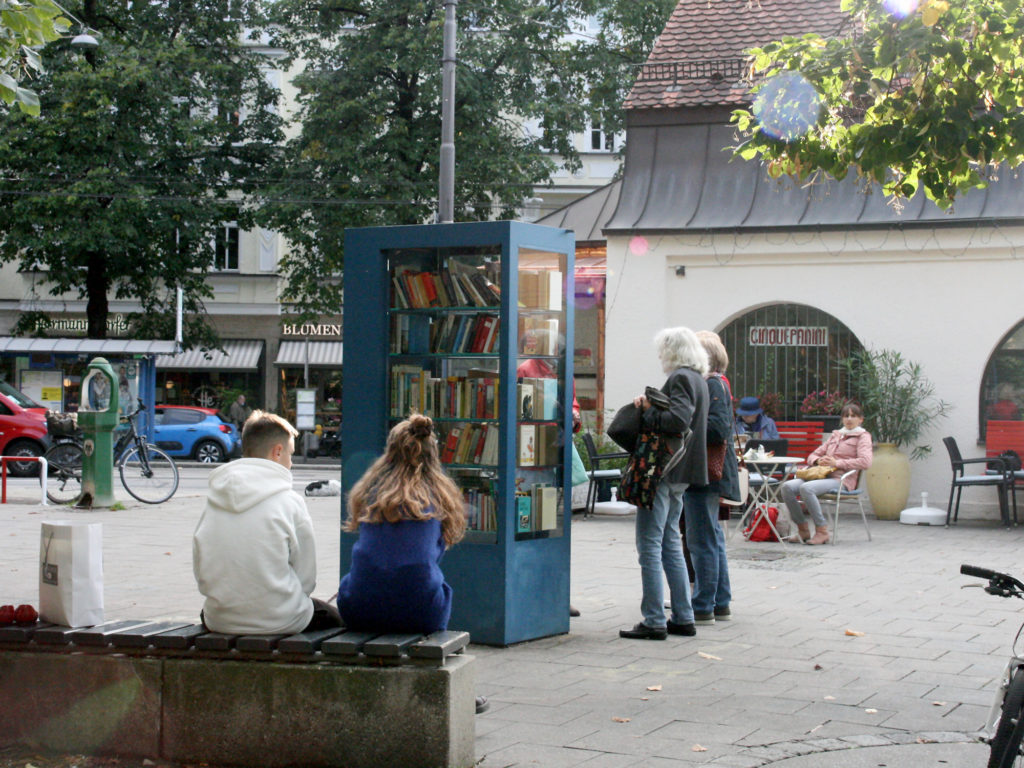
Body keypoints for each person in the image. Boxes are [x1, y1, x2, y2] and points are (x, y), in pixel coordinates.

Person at [337, 413, 488, 713]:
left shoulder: (370, 493)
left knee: (353, 582)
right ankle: (456, 692)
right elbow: (430, 557)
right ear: (433, 455)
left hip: (359, 607)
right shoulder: (438, 496)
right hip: (421, 611)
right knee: (435, 585)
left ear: (389, 452)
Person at [193, 410, 341, 634]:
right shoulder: (289, 501)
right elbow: (306, 579)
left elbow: (201, 569)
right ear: (277, 451)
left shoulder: (214, 500)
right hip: (282, 619)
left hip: (220, 619)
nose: (291, 463)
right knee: (337, 619)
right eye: (290, 455)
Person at [619, 327, 709, 641]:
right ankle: (683, 616)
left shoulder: (681, 378)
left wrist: (647, 410)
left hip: (663, 471)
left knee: (649, 546)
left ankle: (654, 619)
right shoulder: (700, 379)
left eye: (662, 350)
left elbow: (677, 421)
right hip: (682, 473)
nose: (660, 357)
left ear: (672, 351)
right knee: (670, 542)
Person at [683, 331, 740, 625]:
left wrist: (686, 425)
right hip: (708, 472)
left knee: (701, 538)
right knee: (712, 537)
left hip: (704, 472)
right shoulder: (717, 384)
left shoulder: (713, 385)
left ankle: (704, 604)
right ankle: (720, 602)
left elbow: (718, 429)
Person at [780, 403, 873, 545]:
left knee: (807, 488)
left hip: (841, 480)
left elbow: (865, 462)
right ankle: (802, 529)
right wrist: (818, 461)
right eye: (846, 416)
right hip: (820, 476)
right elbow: (813, 455)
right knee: (787, 487)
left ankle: (822, 531)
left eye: (853, 416)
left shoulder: (863, 437)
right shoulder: (836, 435)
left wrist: (837, 463)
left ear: (860, 419)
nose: (849, 419)